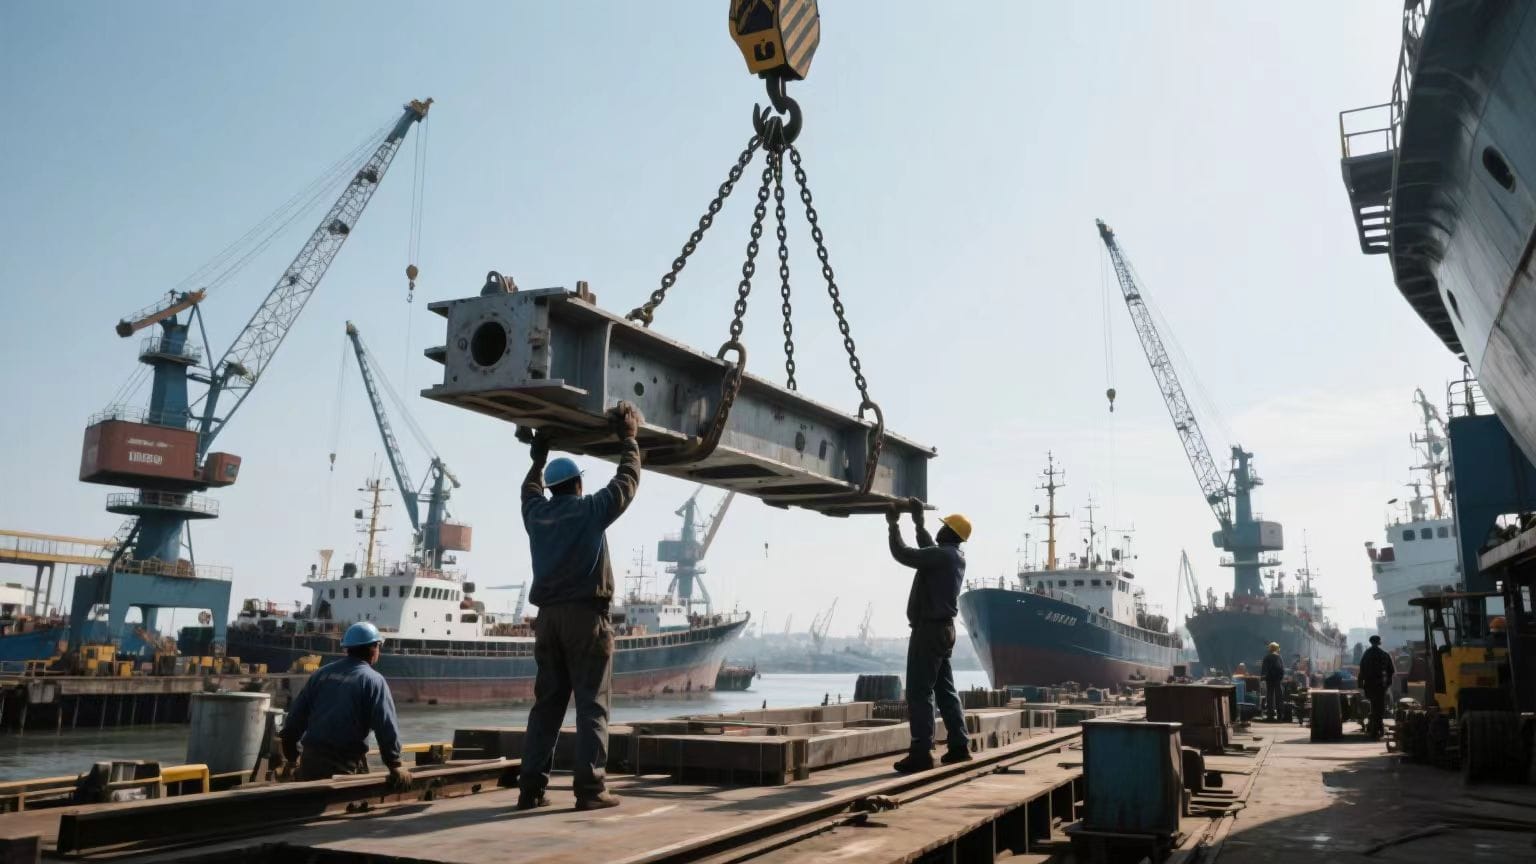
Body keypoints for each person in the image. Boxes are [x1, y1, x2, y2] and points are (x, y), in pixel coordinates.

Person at [517, 402, 643, 812]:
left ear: (555, 487)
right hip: (586, 621)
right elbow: (626, 482)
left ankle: (530, 789)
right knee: (592, 705)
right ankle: (590, 790)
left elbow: (528, 490)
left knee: (546, 707)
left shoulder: (536, 515)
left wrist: (538, 457)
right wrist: (629, 438)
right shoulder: (590, 511)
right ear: (578, 485)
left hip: (547, 622)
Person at [887, 496, 972, 773]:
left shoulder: (941, 556)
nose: (940, 529)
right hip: (944, 631)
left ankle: (921, 752)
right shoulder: (952, 556)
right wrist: (918, 522)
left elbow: (904, 554)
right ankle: (959, 745)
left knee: (918, 691)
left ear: (951, 533)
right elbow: (929, 547)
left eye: (943, 526)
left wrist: (892, 525)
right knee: (945, 690)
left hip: (929, 630)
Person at [279, 621, 410, 788]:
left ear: (347, 647)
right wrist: (395, 764)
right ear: (374, 648)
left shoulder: (322, 674)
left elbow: (295, 718)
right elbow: (386, 725)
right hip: (343, 766)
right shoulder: (374, 680)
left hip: (310, 761)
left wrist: (291, 757)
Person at [1357, 635, 1396, 739]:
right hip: (1381, 686)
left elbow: (1362, 671)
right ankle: (1378, 729)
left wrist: (1360, 685)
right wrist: (1387, 684)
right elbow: (1391, 671)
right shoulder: (1384, 654)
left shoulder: (1366, 654)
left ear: (1371, 642)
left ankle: (1376, 730)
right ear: (1379, 643)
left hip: (1369, 685)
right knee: (1379, 707)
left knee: (1374, 706)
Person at [1260, 642, 1285, 721]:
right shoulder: (1279, 657)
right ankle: (1279, 715)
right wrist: (1281, 678)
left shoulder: (1267, 657)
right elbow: (1282, 669)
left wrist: (1263, 678)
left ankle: (1270, 715)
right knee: (1279, 697)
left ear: (1270, 649)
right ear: (1277, 649)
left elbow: (1264, 669)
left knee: (1269, 697)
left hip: (1269, 679)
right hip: (1277, 680)